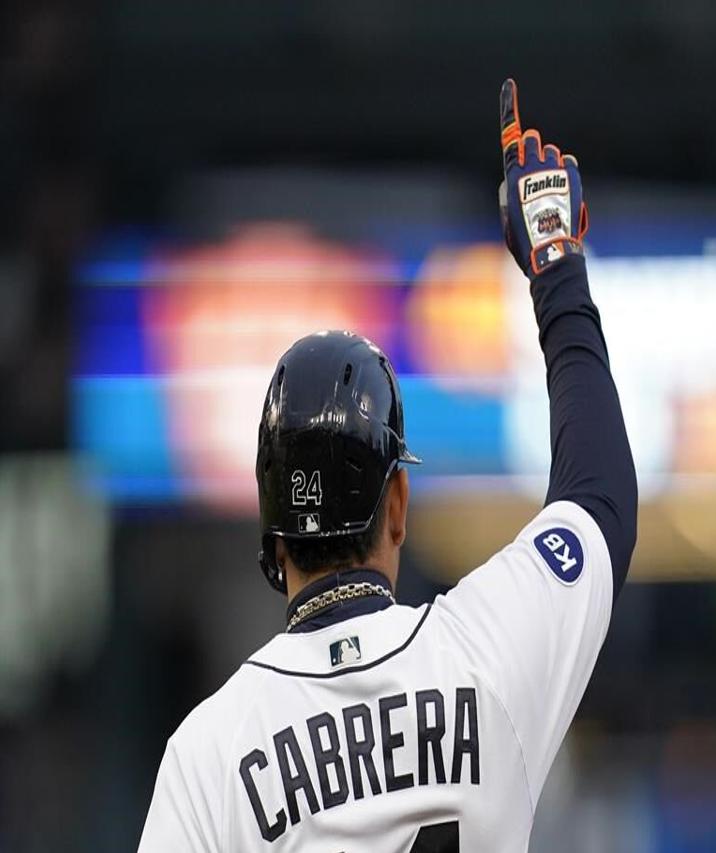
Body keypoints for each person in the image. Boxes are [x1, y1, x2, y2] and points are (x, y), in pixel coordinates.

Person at [137, 78, 637, 852]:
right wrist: (555, 268)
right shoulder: (485, 653)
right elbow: (598, 493)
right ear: (396, 501)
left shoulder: (208, 754)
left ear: (273, 537)